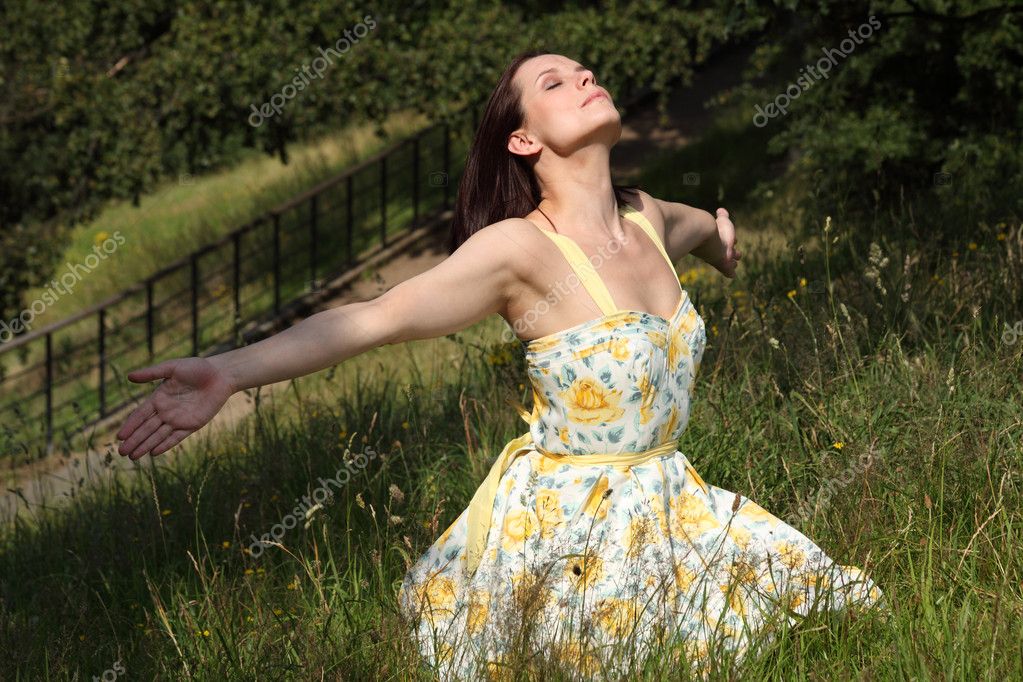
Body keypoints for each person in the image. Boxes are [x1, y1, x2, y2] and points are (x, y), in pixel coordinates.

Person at [116, 50, 884, 680]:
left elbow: (699, 228)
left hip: (673, 496)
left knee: (826, 612)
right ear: (522, 140)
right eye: (554, 82)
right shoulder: (516, 252)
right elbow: (373, 317)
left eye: (585, 72)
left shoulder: (646, 219)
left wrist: (720, 238)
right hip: (573, 525)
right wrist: (232, 371)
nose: (584, 79)